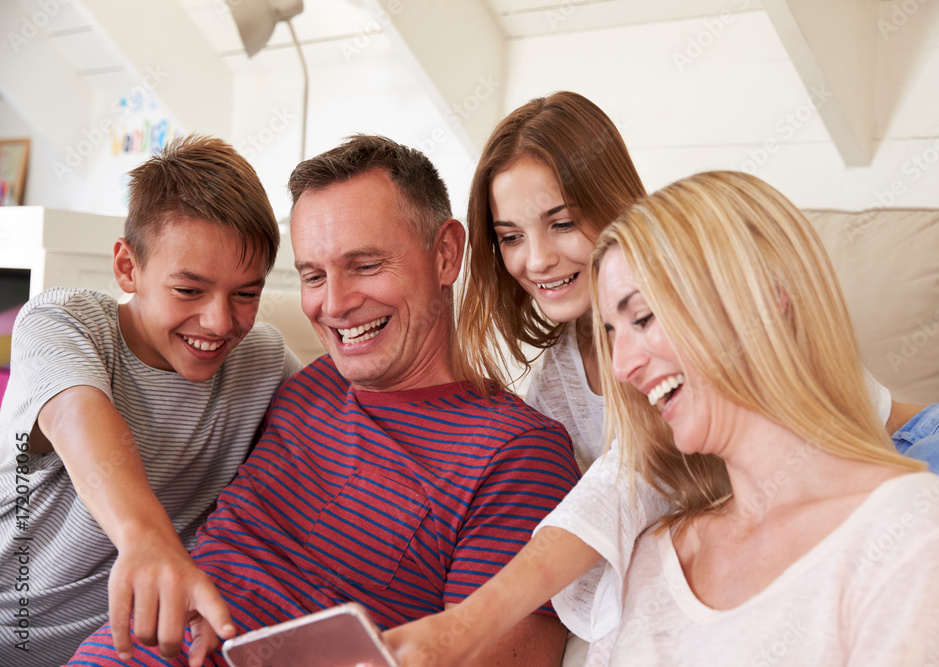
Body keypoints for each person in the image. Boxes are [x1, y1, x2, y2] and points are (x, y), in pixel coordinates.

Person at [390, 172, 939, 665]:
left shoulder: (925, 534)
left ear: (765, 303)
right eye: (610, 331)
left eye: (645, 317)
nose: (623, 366)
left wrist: (466, 625)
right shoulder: (655, 555)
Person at [66, 134, 580, 667]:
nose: (333, 305)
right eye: (313, 275)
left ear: (446, 253)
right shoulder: (304, 384)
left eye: (365, 265)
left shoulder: (519, 455)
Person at [0, 135, 301, 667]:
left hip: (112, 651)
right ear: (127, 267)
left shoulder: (264, 361)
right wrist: (147, 538)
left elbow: (345, 425)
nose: (220, 322)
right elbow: (77, 414)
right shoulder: (62, 322)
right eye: (189, 291)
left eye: (246, 294)